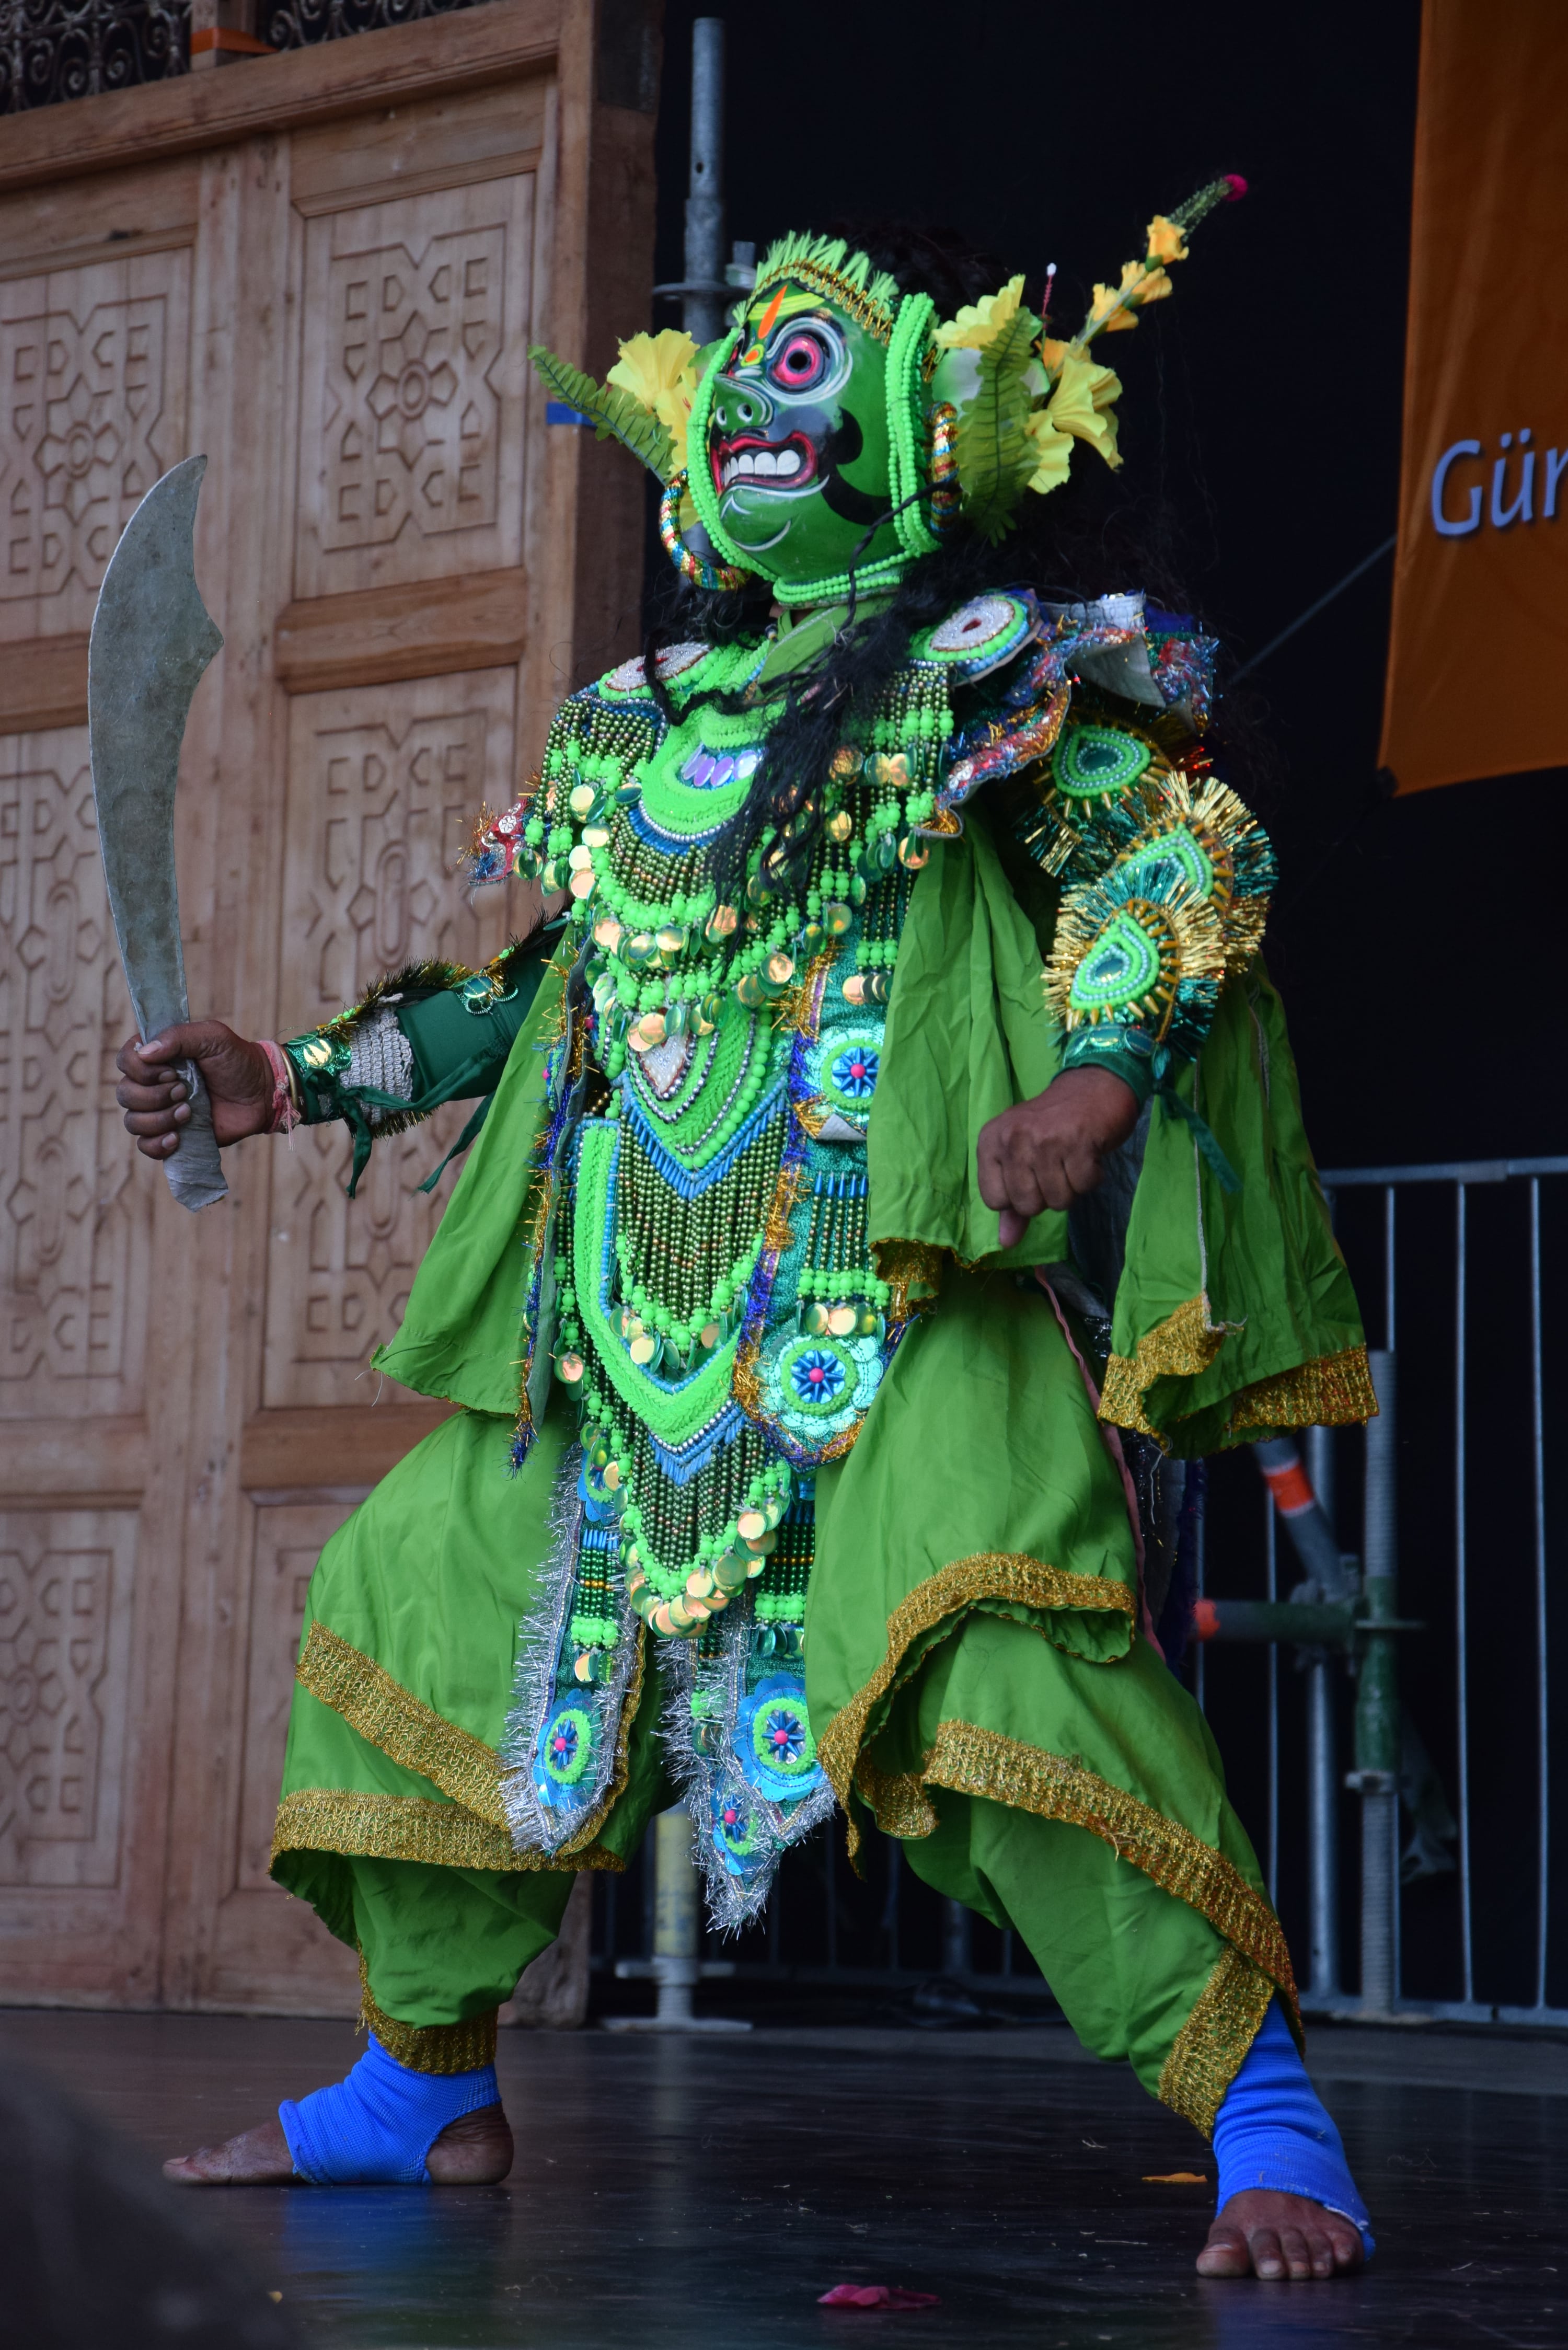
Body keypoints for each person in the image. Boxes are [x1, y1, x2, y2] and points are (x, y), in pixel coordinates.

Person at [118, 193, 1377, 2282]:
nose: (766, 405)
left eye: (818, 371)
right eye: (743, 377)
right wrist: (304, 1071)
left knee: (1000, 1655)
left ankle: (1263, 2103)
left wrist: (1101, 1076)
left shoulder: (976, 679)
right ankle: (421, 2086)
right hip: (624, 1339)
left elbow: (1175, 844)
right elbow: (545, 984)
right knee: (421, 1591)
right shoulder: (626, 739)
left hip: (888, 1307)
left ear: (905, 436)